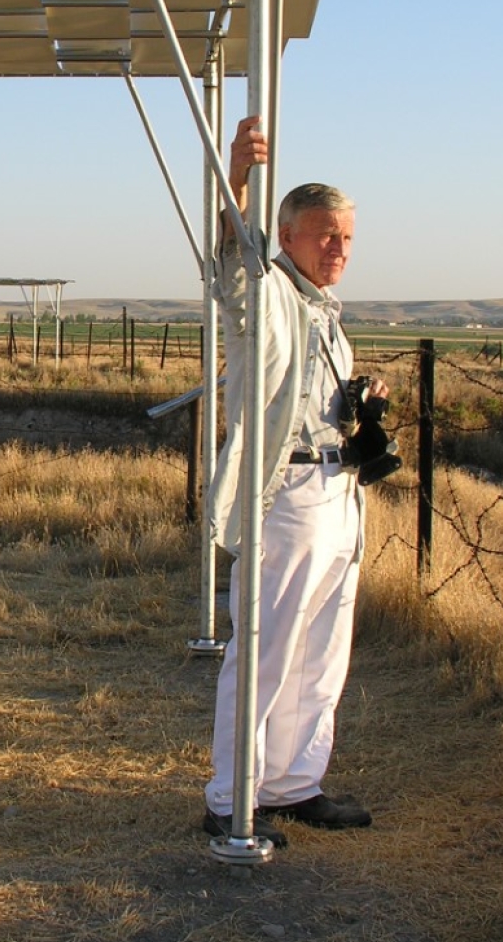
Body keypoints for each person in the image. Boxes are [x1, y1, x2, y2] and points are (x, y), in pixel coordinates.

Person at [202, 115, 386, 847]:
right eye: (322, 233)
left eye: (345, 235)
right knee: (269, 646)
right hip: (291, 497)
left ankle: (291, 781)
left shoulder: (323, 311)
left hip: (339, 495)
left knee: (321, 648)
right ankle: (231, 796)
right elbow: (231, 268)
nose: (337, 247)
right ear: (287, 237)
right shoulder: (270, 292)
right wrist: (237, 180)